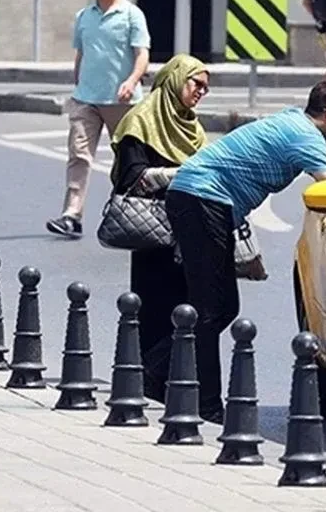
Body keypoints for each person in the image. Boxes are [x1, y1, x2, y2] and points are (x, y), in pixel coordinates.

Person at [158, 81, 326, 422]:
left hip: (201, 200)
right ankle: (204, 404)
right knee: (211, 309)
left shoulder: (296, 125)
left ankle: (153, 372)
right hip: (202, 199)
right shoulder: (305, 137)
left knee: (221, 308)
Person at [106, 54, 210, 401]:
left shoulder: (192, 127)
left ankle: (170, 378)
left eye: (205, 88)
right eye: (196, 84)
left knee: (188, 306)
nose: (200, 93)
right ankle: (147, 378)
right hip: (151, 232)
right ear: (176, 79)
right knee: (152, 306)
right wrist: (178, 176)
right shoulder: (141, 120)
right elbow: (131, 177)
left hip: (187, 230)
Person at [47, 0, 151, 239]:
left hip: (123, 102)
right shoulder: (84, 16)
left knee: (129, 159)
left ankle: (131, 212)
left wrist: (131, 80)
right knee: (78, 155)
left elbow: (142, 54)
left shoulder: (132, 15)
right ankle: (72, 215)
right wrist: (77, 82)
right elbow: (81, 53)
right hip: (87, 100)